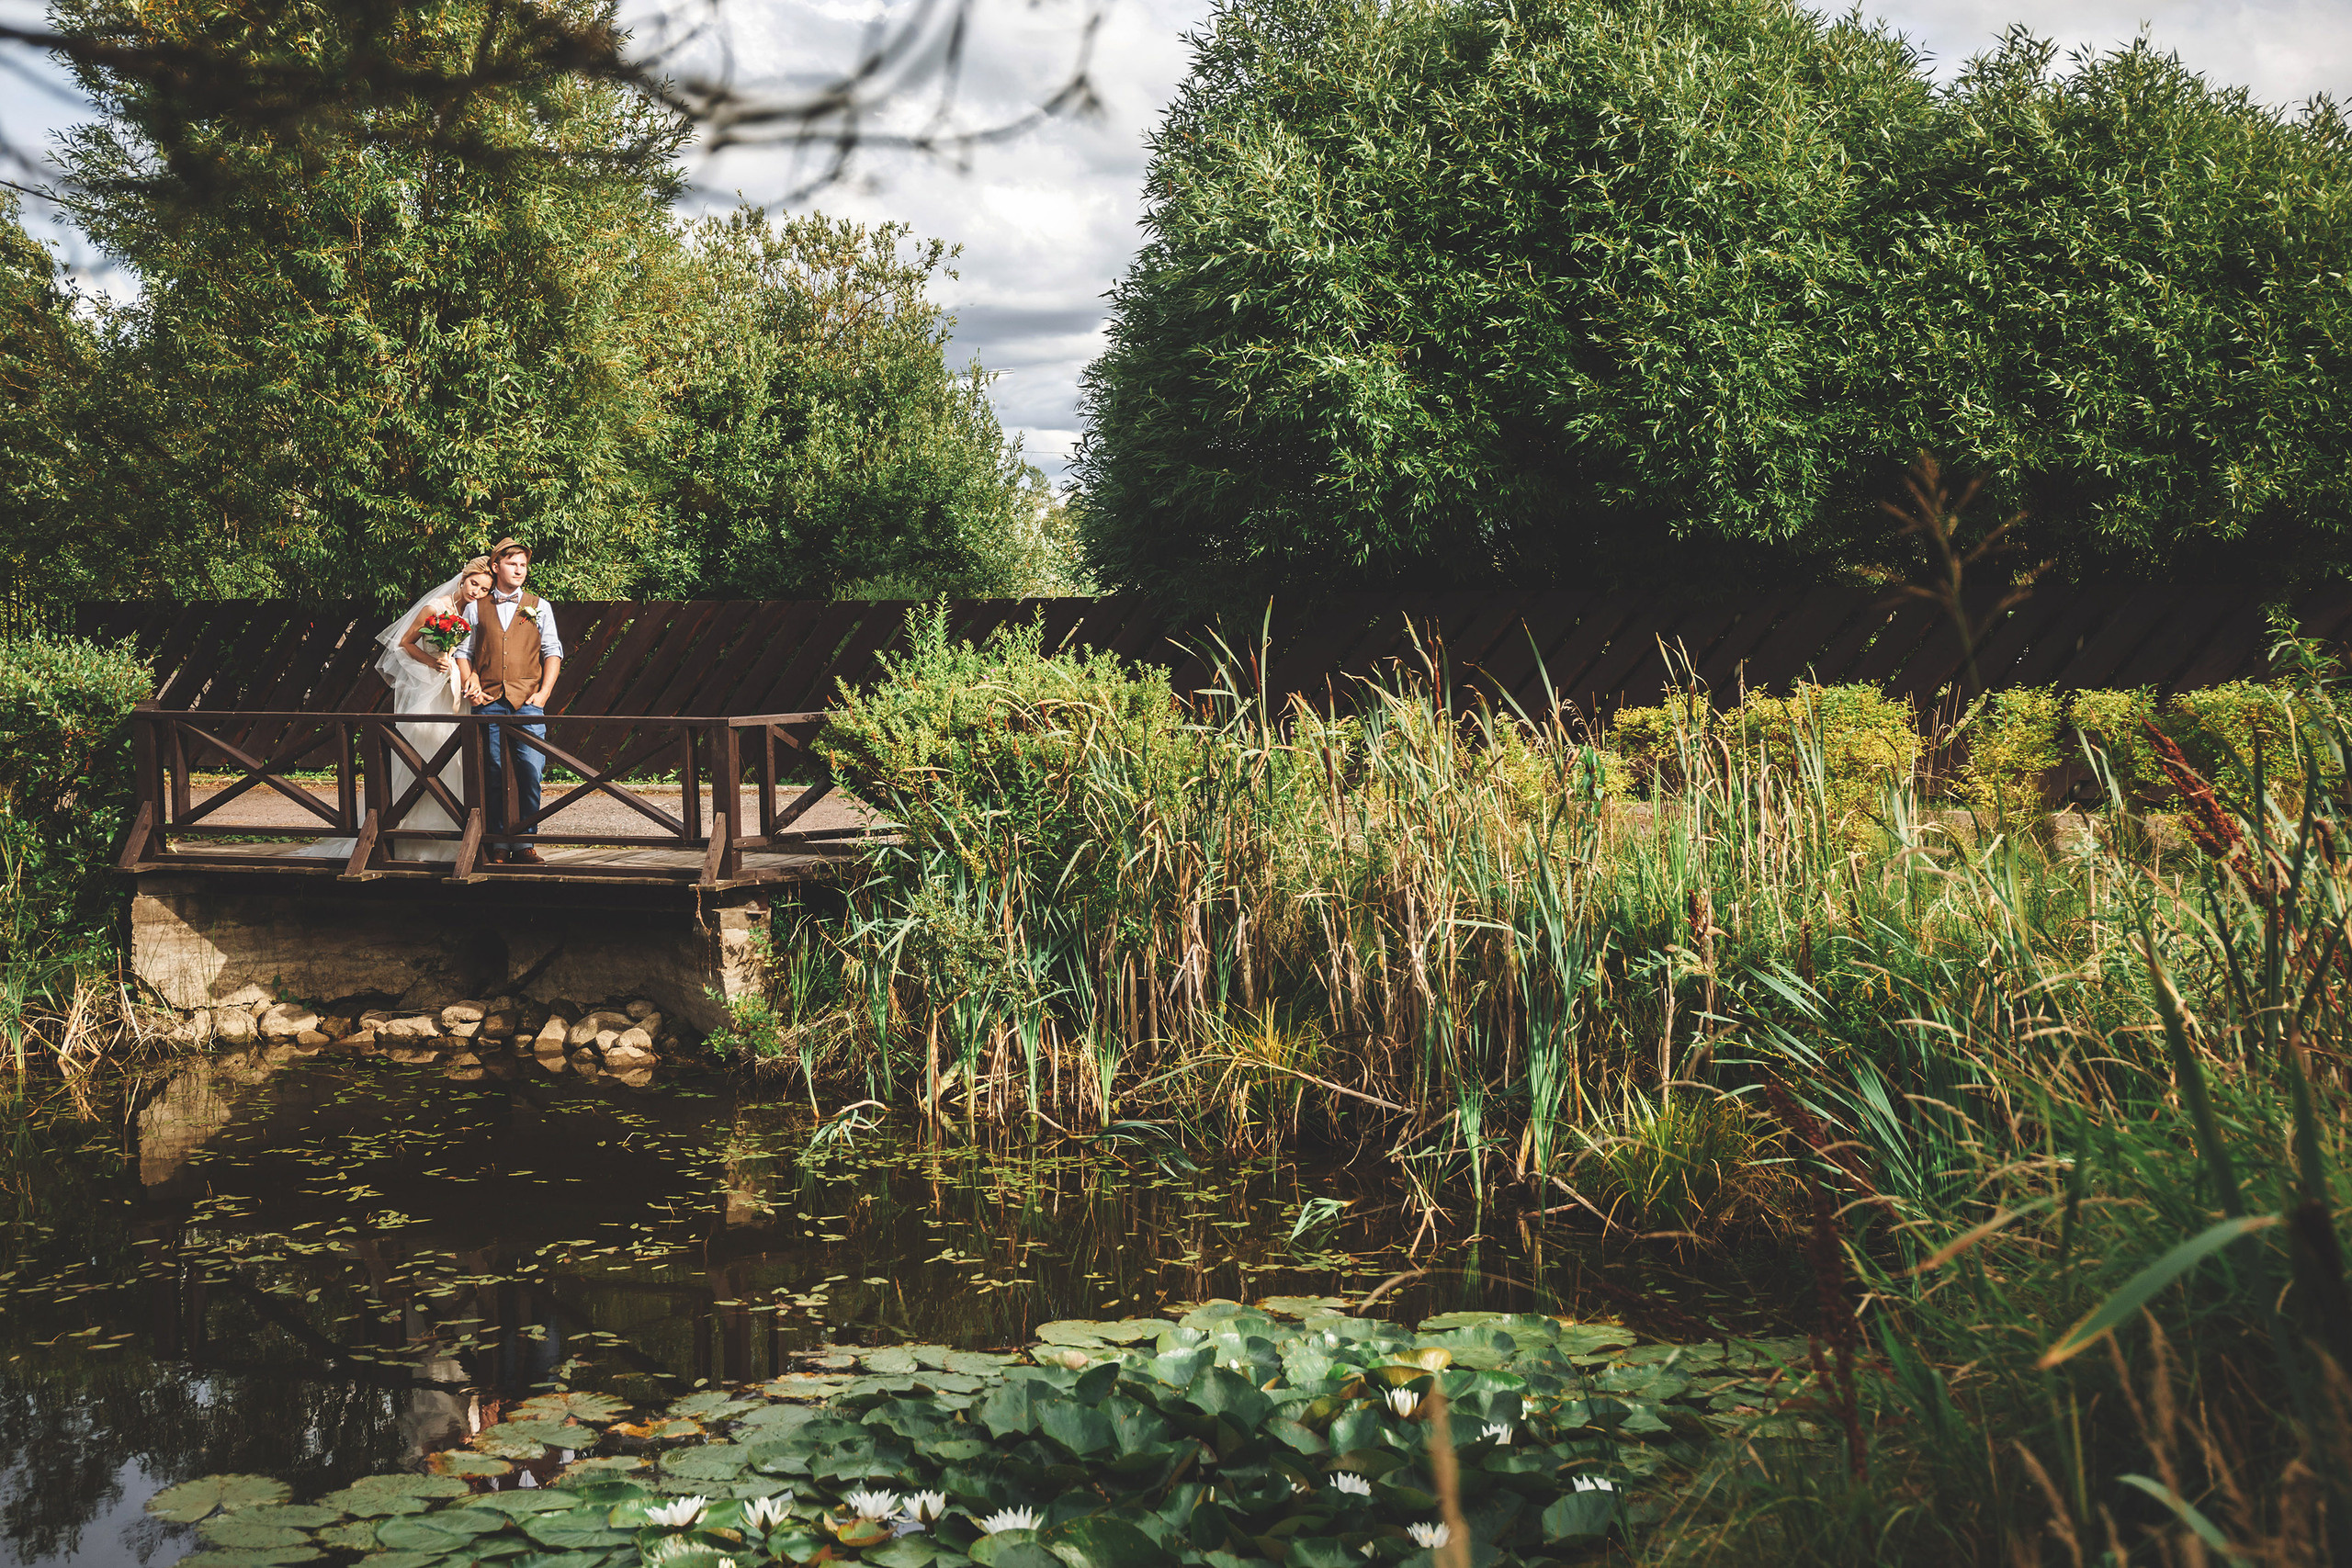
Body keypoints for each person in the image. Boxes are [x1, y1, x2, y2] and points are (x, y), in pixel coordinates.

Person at [314, 558, 493, 863]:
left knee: (456, 761)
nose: (477, 591)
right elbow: (402, 643)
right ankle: (406, 837)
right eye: (474, 584)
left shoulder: (476, 615)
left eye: (485, 588)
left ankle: (454, 839)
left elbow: (472, 654)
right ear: (463, 579)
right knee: (422, 755)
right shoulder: (435, 608)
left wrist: (471, 675)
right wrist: (430, 662)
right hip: (431, 691)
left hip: (457, 694)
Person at [454, 538, 564, 865]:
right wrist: (469, 679)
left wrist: (543, 693)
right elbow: (463, 652)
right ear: (495, 567)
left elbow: (552, 652)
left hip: (527, 701)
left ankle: (525, 842)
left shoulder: (538, 605)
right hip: (487, 700)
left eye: (523, 565)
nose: (519, 570)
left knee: (531, 769)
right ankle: (498, 843)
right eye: (513, 563)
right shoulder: (476, 607)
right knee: (494, 771)